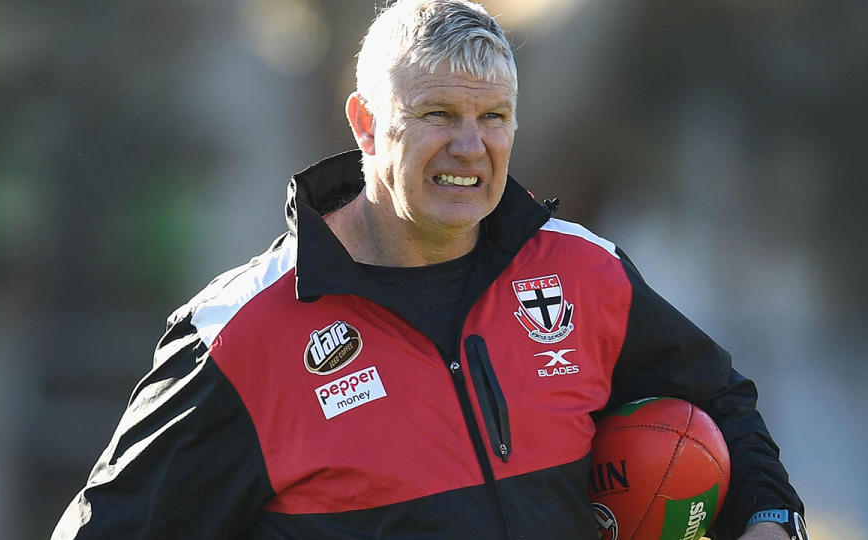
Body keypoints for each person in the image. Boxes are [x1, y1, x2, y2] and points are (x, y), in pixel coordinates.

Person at [53, 1, 806, 539]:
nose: (470, 148)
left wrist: (770, 521)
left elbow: (723, 404)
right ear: (365, 124)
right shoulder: (239, 339)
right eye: (438, 114)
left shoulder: (584, 272)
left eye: (494, 118)